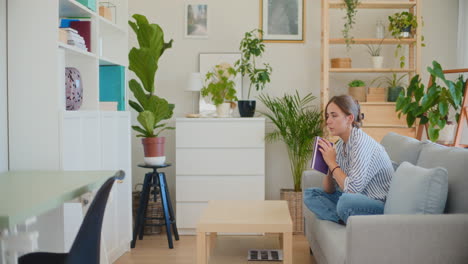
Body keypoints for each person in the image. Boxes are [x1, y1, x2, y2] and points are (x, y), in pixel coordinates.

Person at [303, 95, 394, 224]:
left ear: (349, 118)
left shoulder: (360, 142)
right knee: (311, 194)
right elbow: (329, 190)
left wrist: (332, 162)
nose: (328, 121)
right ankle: (344, 218)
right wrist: (328, 165)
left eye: (334, 116)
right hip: (356, 199)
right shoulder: (340, 145)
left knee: (345, 201)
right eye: (327, 116)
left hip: (377, 204)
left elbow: (352, 190)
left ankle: (345, 216)